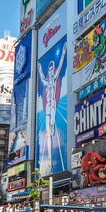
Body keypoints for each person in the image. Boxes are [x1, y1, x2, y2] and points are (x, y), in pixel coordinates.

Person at [37, 42, 67, 175]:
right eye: (49, 70)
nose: (51, 71)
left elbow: (60, 66)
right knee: (48, 132)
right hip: (47, 108)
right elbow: (42, 77)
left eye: (51, 69)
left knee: (52, 123)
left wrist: (64, 52)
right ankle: (48, 160)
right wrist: (38, 69)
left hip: (53, 104)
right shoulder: (46, 82)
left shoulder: (54, 78)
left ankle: (52, 125)